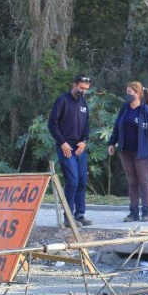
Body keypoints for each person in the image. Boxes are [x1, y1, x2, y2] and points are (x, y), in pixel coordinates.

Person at [108, 82, 148, 222]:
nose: (127, 95)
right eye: (127, 92)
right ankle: (133, 211)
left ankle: (146, 211)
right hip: (126, 150)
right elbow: (117, 127)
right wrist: (112, 143)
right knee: (132, 182)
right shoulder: (124, 109)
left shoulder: (146, 111)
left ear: (137, 93)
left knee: (143, 181)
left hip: (142, 151)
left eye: (130, 92)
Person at [48, 74, 93, 226]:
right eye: (81, 88)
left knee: (82, 181)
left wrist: (84, 142)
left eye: (86, 89)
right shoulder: (62, 100)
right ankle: (68, 217)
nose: (83, 91)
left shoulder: (83, 102)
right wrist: (62, 143)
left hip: (80, 148)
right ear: (74, 85)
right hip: (66, 147)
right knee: (72, 181)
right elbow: (52, 124)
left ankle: (80, 215)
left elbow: (87, 124)